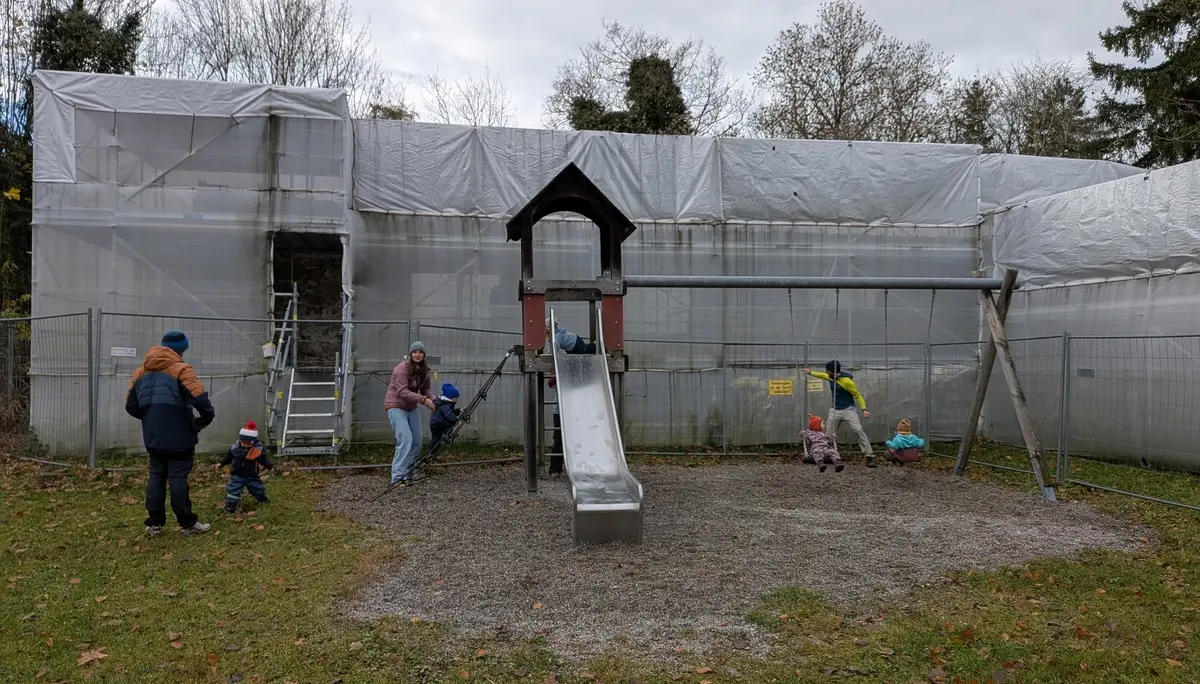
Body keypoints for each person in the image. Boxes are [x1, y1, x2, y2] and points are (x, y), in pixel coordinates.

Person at [125, 329, 214, 536]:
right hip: (180, 435)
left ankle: (154, 523)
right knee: (177, 477)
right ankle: (187, 523)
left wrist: (151, 418)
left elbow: (131, 406)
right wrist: (200, 421)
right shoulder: (182, 370)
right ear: (181, 350)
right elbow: (202, 401)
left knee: (156, 476)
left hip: (153, 435)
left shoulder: (140, 372)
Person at [802, 360, 875, 467]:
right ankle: (825, 454)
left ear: (833, 372)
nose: (826, 372)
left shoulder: (847, 382)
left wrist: (864, 409)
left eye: (828, 371)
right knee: (828, 434)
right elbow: (822, 375)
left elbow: (858, 395)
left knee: (858, 429)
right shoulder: (830, 377)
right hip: (835, 410)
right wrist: (810, 372)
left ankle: (869, 456)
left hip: (848, 410)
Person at [384, 341, 436, 485]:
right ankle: (397, 477)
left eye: (420, 352)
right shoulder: (402, 369)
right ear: (410, 354)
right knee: (405, 439)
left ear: (424, 354)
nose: (417, 355)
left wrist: (435, 400)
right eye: (414, 352)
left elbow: (427, 390)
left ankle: (410, 472)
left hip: (411, 407)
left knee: (417, 442)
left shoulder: (425, 370)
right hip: (395, 406)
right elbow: (402, 392)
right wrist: (423, 400)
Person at [218, 421, 274, 513]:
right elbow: (228, 457)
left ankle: (262, 499)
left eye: (249, 443)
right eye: (243, 442)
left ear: (254, 441)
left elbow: (264, 459)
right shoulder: (235, 448)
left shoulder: (258, 450)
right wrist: (221, 463)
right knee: (233, 490)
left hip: (252, 474)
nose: (245, 445)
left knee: (257, 488)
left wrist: (269, 466)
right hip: (237, 474)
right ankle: (230, 506)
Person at [428, 383, 462, 451]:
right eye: (456, 398)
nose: (457, 399)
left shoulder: (443, 403)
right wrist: (456, 421)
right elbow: (449, 415)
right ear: (451, 398)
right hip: (438, 424)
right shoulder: (445, 405)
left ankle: (432, 452)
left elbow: (450, 412)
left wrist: (459, 410)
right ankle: (448, 433)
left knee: (436, 438)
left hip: (435, 423)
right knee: (450, 423)